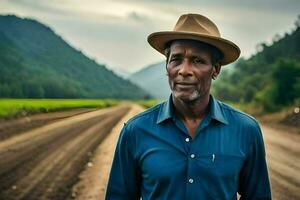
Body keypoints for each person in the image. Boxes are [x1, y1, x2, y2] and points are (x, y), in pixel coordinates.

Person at [105, 13, 272, 200]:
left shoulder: (246, 130)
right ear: (167, 66)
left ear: (215, 70)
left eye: (197, 60)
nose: (184, 71)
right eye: (176, 59)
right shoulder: (135, 131)